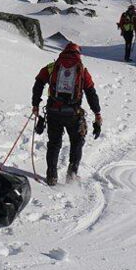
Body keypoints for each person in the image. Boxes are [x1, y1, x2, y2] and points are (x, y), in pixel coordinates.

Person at [31, 43, 101, 185]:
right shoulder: (82, 70)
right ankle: (72, 175)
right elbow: (91, 92)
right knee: (77, 141)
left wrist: (35, 104)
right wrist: (97, 113)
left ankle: (51, 176)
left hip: (53, 112)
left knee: (54, 144)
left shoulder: (52, 67)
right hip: (73, 113)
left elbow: (39, 82)